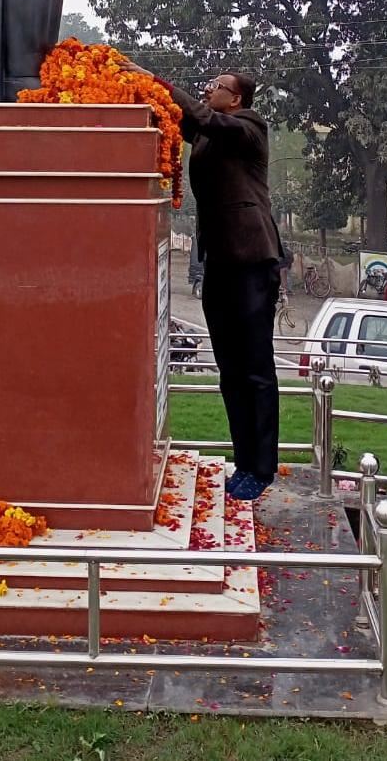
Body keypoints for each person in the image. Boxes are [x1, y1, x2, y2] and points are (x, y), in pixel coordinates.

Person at [132, 65, 282, 501]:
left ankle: (261, 467)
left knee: (254, 369)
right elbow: (183, 121)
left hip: (252, 260)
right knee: (231, 370)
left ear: (235, 99)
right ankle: (244, 461)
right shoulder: (210, 135)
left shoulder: (249, 127)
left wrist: (152, 78)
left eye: (216, 87)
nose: (208, 91)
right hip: (218, 261)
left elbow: (198, 116)